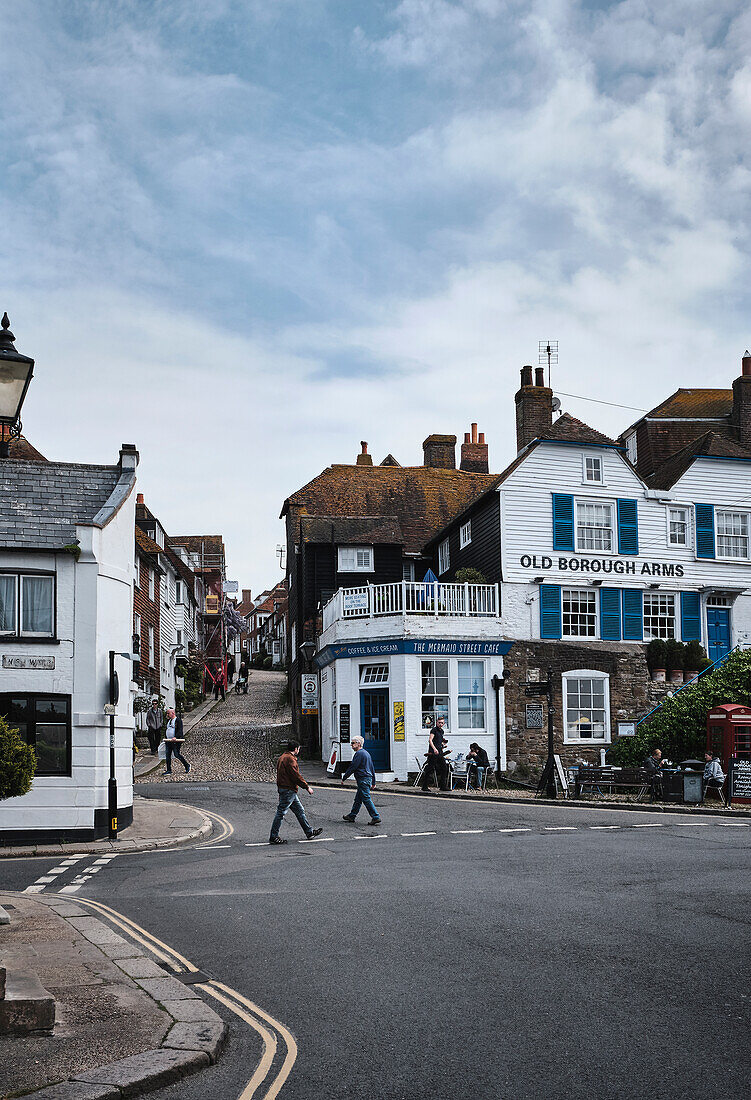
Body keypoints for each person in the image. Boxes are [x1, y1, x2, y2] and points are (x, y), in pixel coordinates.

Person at [269, 741, 323, 844]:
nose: (299, 750)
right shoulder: (290, 759)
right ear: (295, 749)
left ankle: (309, 832)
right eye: (298, 749)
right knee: (281, 813)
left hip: (287, 789)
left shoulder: (282, 757)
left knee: (300, 811)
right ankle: (273, 836)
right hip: (288, 790)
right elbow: (295, 776)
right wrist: (307, 787)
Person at [341, 735, 381, 825]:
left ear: (358, 744)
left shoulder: (359, 754)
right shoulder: (366, 753)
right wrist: (373, 781)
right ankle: (352, 816)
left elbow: (353, 767)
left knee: (366, 798)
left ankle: (375, 816)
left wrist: (344, 777)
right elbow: (371, 768)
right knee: (358, 799)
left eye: (353, 743)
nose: (351, 745)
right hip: (366, 779)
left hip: (363, 779)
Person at [421, 715, 449, 792]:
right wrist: (434, 749)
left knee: (444, 768)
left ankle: (442, 786)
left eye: (442, 723)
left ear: (444, 724)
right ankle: (424, 786)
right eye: (439, 723)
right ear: (436, 722)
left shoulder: (441, 731)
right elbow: (430, 740)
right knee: (430, 769)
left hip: (439, 752)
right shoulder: (434, 730)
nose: (440, 724)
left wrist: (443, 746)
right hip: (433, 753)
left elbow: (438, 741)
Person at [164, 708, 190, 776]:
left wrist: (176, 737)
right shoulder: (169, 721)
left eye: (168, 713)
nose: (167, 715)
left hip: (176, 741)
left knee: (176, 754)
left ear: (172, 713)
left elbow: (180, 730)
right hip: (168, 741)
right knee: (167, 755)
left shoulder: (178, 720)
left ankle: (187, 765)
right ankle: (169, 770)